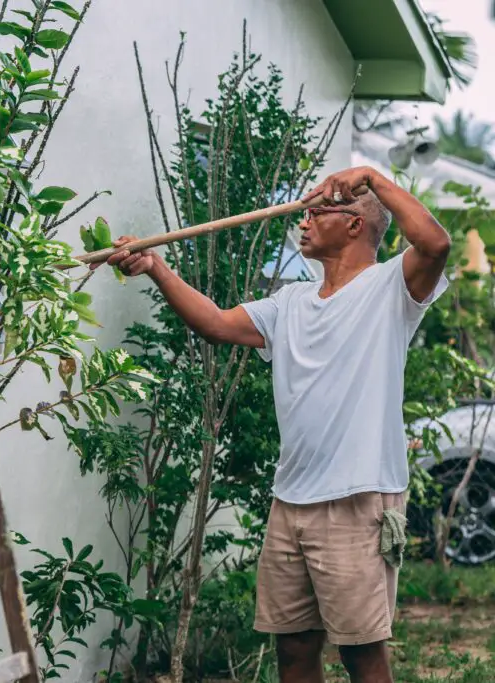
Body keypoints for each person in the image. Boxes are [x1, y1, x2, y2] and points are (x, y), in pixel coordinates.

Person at [92, 166, 450, 683]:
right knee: (295, 650)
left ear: (354, 225)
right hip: (292, 504)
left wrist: (371, 179)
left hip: (357, 502)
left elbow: (435, 243)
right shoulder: (290, 303)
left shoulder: (391, 289)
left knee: (362, 656)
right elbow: (215, 324)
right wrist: (155, 267)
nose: (302, 222)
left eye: (316, 212)